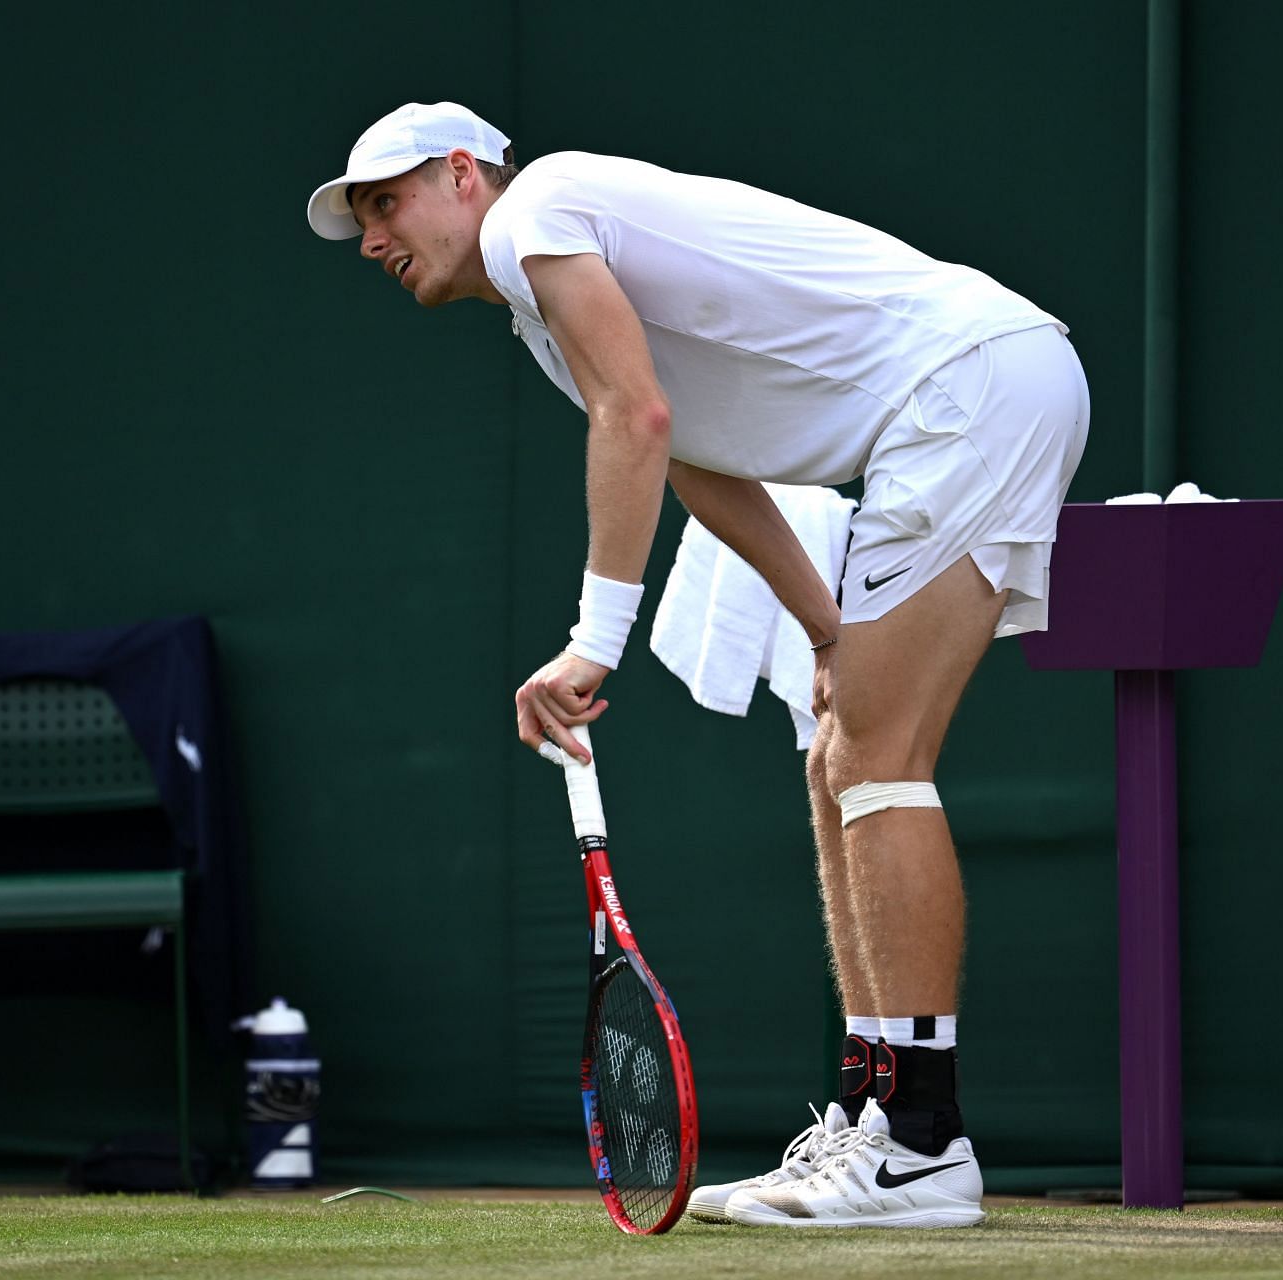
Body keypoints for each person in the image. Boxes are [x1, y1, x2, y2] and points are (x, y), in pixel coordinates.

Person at [307, 101, 1089, 1229]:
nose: (375, 239)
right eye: (363, 221)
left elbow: (639, 418)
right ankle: (880, 1119)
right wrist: (823, 628)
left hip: (969, 389)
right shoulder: (541, 305)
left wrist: (592, 644)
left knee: (881, 757)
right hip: (978, 390)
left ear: (465, 175)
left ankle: (921, 1142)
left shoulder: (541, 213)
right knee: (843, 752)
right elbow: (701, 465)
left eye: (387, 203)